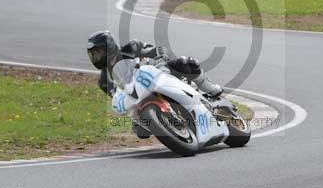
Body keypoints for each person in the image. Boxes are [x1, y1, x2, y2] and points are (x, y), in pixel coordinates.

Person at [87, 31, 223, 136]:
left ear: (109, 46)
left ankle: (208, 87)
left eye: (98, 53)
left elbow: (156, 50)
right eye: (93, 55)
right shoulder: (104, 82)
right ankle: (168, 127)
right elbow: (118, 98)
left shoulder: (131, 48)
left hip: (160, 74)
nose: (95, 58)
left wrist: (160, 57)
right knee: (141, 131)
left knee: (186, 63)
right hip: (139, 98)